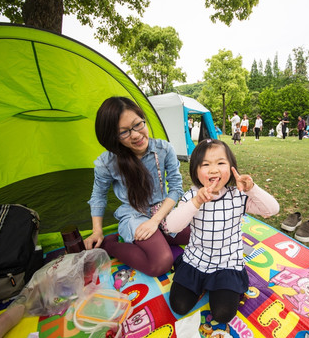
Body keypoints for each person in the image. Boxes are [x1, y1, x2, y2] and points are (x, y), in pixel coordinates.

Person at [166, 139, 279, 323]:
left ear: (232, 168)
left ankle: (218, 286)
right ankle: (200, 283)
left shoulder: (238, 195)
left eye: (220, 163)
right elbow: (172, 226)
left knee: (223, 314)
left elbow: (272, 210)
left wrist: (252, 189)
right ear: (196, 170)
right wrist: (196, 203)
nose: (213, 169)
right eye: (206, 165)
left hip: (227, 264)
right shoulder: (192, 196)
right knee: (179, 306)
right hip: (196, 261)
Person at [84, 96, 190, 277]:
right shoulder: (108, 162)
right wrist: (97, 231)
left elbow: (175, 188)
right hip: (134, 215)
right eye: (123, 132)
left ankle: (156, 235)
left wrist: (155, 221)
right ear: (114, 138)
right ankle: (110, 244)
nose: (135, 134)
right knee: (161, 263)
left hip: (162, 211)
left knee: (200, 233)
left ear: (143, 119)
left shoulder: (164, 149)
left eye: (138, 124)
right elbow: (98, 196)